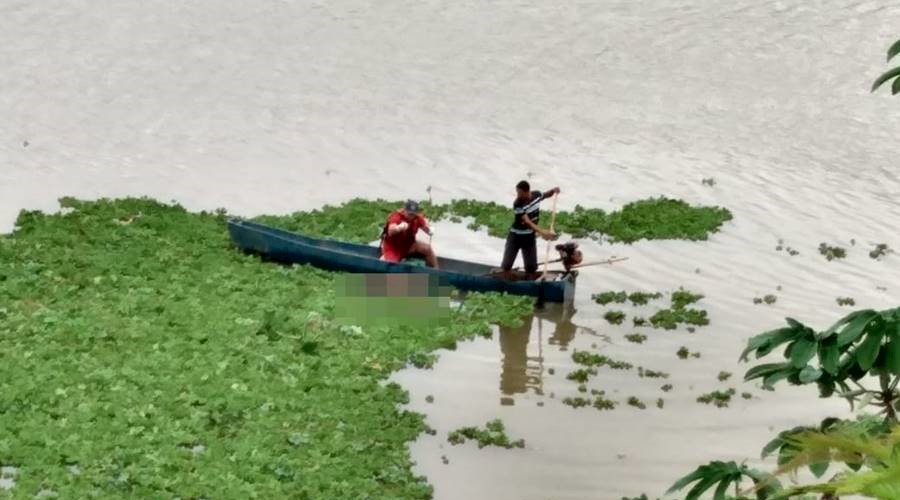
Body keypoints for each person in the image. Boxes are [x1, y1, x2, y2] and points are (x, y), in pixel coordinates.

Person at [500, 181, 560, 274]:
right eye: (517, 193)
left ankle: (529, 281)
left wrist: (553, 190)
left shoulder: (536, 195)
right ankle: (504, 278)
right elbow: (527, 222)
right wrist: (542, 232)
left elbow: (545, 195)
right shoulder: (517, 203)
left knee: (531, 268)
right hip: (515, 237)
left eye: (519, 193)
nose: (518, 195)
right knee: (506, 266)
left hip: (529, 238)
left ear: (527, 191)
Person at [379, 199, 439, 268]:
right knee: (391, 265)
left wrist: (430, 230)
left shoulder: (417, 218)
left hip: (409, 246)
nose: (411, 216)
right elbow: (390, 230)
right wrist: (399, 228)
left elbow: (425, 227)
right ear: (404, 210)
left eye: (413, 214)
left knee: (427, 248)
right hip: (393, 247)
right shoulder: (396, 216)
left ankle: (436, 270)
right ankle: (383, 259)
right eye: (409, 214)